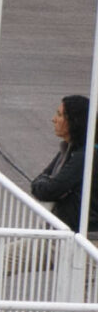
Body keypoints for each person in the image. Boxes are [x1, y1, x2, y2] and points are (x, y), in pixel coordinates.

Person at [28, 96, 91, 231]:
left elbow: (52, 190)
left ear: (74, 121)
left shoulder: (85, 156)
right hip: (62, 232)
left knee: (0, 254)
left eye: (60, 115)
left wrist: (43, 185)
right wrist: (42, 184)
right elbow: (43, 178)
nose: (54, 119)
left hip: (80, 239)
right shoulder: (69, 148)